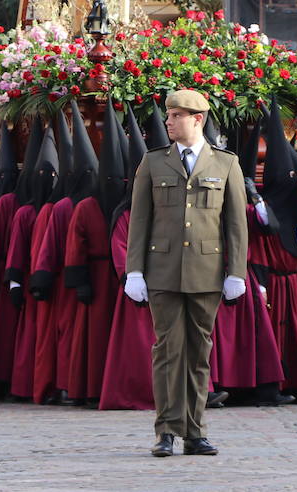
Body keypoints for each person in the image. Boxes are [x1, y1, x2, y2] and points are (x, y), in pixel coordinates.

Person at [124, 89, 247, 458]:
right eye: (168, 115)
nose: (169, 122)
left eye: (176, 116)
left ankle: (195, 431)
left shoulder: (225, 164)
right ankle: (166, 430)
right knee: (167, 352)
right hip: (162, 272)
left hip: (206, 274)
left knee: (198, 355)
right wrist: (135, 271)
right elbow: (140, 221)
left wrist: (235, 271)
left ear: (198, 119)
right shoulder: (153, 162)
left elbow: (236, 224)